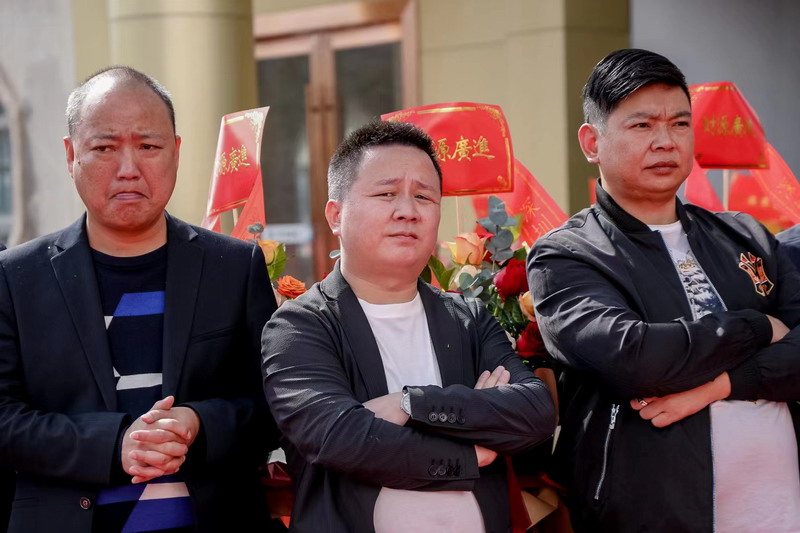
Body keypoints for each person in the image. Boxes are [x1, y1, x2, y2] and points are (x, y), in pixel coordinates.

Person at [528, 48, 800, 533]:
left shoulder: (745, 236)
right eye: (642, 125)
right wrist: (759, 326)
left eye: (679, 124)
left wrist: (723, 385)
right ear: (592, 142)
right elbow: (635, 359)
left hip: (778, 508)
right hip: (647, 511)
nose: (665, 141)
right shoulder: (568, 255)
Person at [0, 66, 279, 532]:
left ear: (176, 151)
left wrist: (198, 423)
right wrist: (113, 444)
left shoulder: (233, 267)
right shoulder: (15, 277)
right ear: (71, 154)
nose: (128, 168)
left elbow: (275, 407)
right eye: (104, 148)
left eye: (148, 146)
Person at [262, 121, 556, 533]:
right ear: (336, 214)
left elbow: (534, 413)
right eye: (386, 194)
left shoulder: (467, 317)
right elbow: (341, 438)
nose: (407, 210)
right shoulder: (300, 325)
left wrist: (410, 404)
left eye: (423, 196)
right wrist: (471, 451)